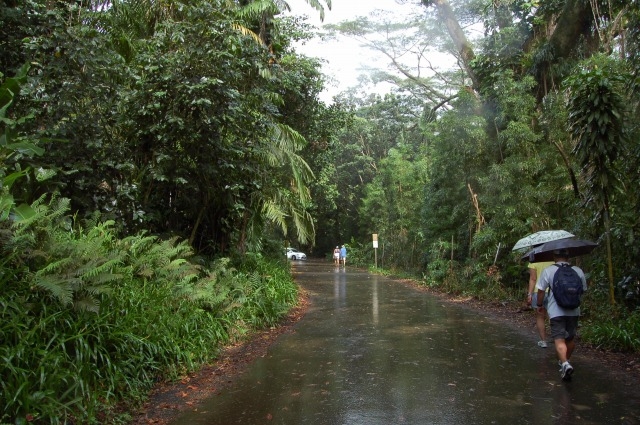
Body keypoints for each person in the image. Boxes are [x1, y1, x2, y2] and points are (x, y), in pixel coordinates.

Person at [536, 249, 587, 381]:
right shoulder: (578, 270)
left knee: (559, 339)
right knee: (570, 339)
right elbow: (583, 290)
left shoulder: (548, 270)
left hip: (556, 311)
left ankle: (564, 362)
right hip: (574, 311)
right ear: (568, 256)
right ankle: (565, 361)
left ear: (554, 256)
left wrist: (540, 305)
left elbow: (541, 291)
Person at [527, 260, 554, 348]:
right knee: (553, 315)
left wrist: (529, 294)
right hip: (552, 292)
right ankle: (558, 338)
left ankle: (543, 341)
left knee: (540, 316)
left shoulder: (534, 261)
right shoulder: (554, 261)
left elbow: (533, 278)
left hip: (538, 292)